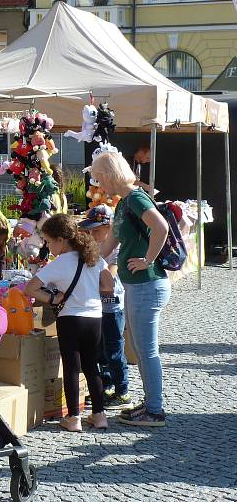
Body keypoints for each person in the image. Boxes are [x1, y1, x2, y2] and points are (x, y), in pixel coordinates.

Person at [91, 150, 170, 427]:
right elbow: (106, 246)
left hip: (148, 284)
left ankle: (155, 410)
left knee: (146, 350)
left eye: (99, 178)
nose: (99, 185)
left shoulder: (135, 198)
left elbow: (161, 228)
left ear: (109, 174)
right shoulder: (124, 203)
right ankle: (150, 403)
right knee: (138, 345)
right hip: (137, 285)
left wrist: (147, 259)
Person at [24, 214, 111, 432]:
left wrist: (53, 298)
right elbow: (109, 285)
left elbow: (30, 288)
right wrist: (90, 291)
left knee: (72, 368)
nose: (48, 245)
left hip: (70, 318)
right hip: (94, 318)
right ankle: (99, 415)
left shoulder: (59, 263)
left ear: (61, 240)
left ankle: (73, 418)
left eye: (49, 241)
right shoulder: (94, 258)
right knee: (92, 367)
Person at [79, 205, 131, 409]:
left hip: (112, 305)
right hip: (97, 306)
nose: (92, 234)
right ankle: (107, 385)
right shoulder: (95, 248)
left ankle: (122, 390)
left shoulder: (116, 249)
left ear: (109, 227)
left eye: (96, 230)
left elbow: (108, 280)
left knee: (114, 348)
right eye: (89, 230)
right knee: (99, 349)